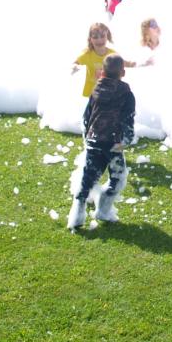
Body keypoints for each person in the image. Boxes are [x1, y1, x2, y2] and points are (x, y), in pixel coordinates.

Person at [67, 53, 135, 231]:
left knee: (87, 180)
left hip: (93, 140)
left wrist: (88, 138)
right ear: (123, 72)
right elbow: (128, 119)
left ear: (102, 72)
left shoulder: (96, 89)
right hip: (113, 143)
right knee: (118, 178)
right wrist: (126, 140)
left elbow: (86, 117)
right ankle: (103, 211)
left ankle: (76, 218)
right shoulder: (126, 93)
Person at [73, 21, 117, 98]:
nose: (99, 40)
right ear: (90, 39)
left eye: (102, 36)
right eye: (95, 37)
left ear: (107, 36)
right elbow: (75, 63)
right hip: (92, 92)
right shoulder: (87, 54)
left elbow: (121, 65)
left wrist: (133, 64)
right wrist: (74, 67)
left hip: (108, 91)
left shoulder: (112, 54)